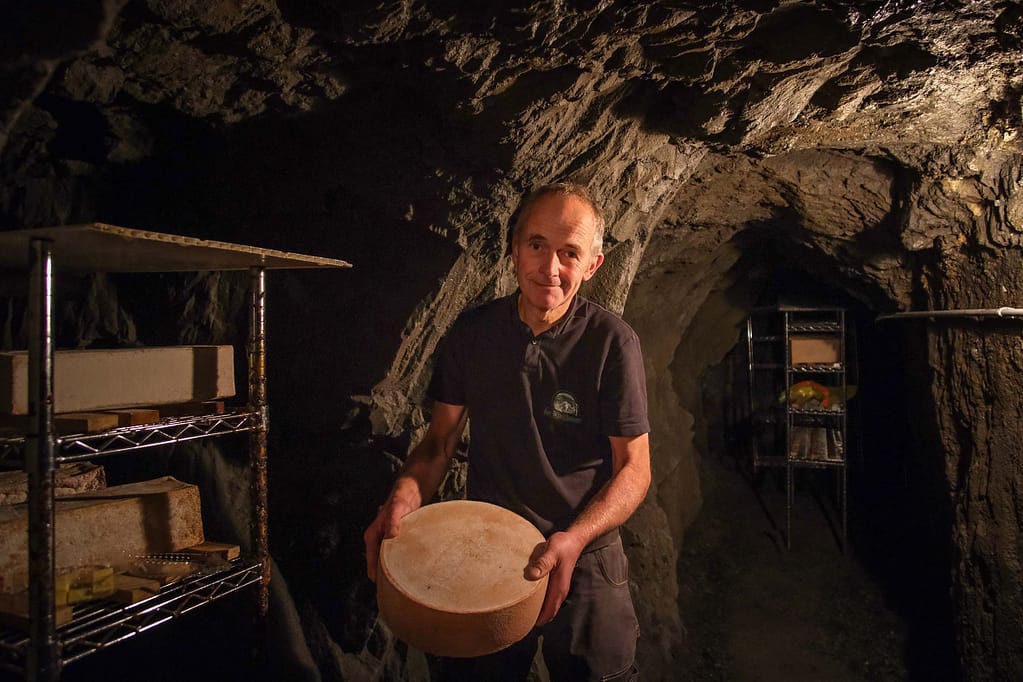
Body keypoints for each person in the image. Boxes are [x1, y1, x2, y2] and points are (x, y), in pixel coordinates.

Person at [364, 182, 651, 681]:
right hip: (488, 551)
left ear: (592, 266)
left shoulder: (612, 344)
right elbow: (438, 443)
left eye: (569, 253)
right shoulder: (474, 334)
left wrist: (576, 538)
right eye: (537, 245)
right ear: (514, 248)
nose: (551, 268)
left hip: (584, 553)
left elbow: (634, 470)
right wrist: (405, 494)